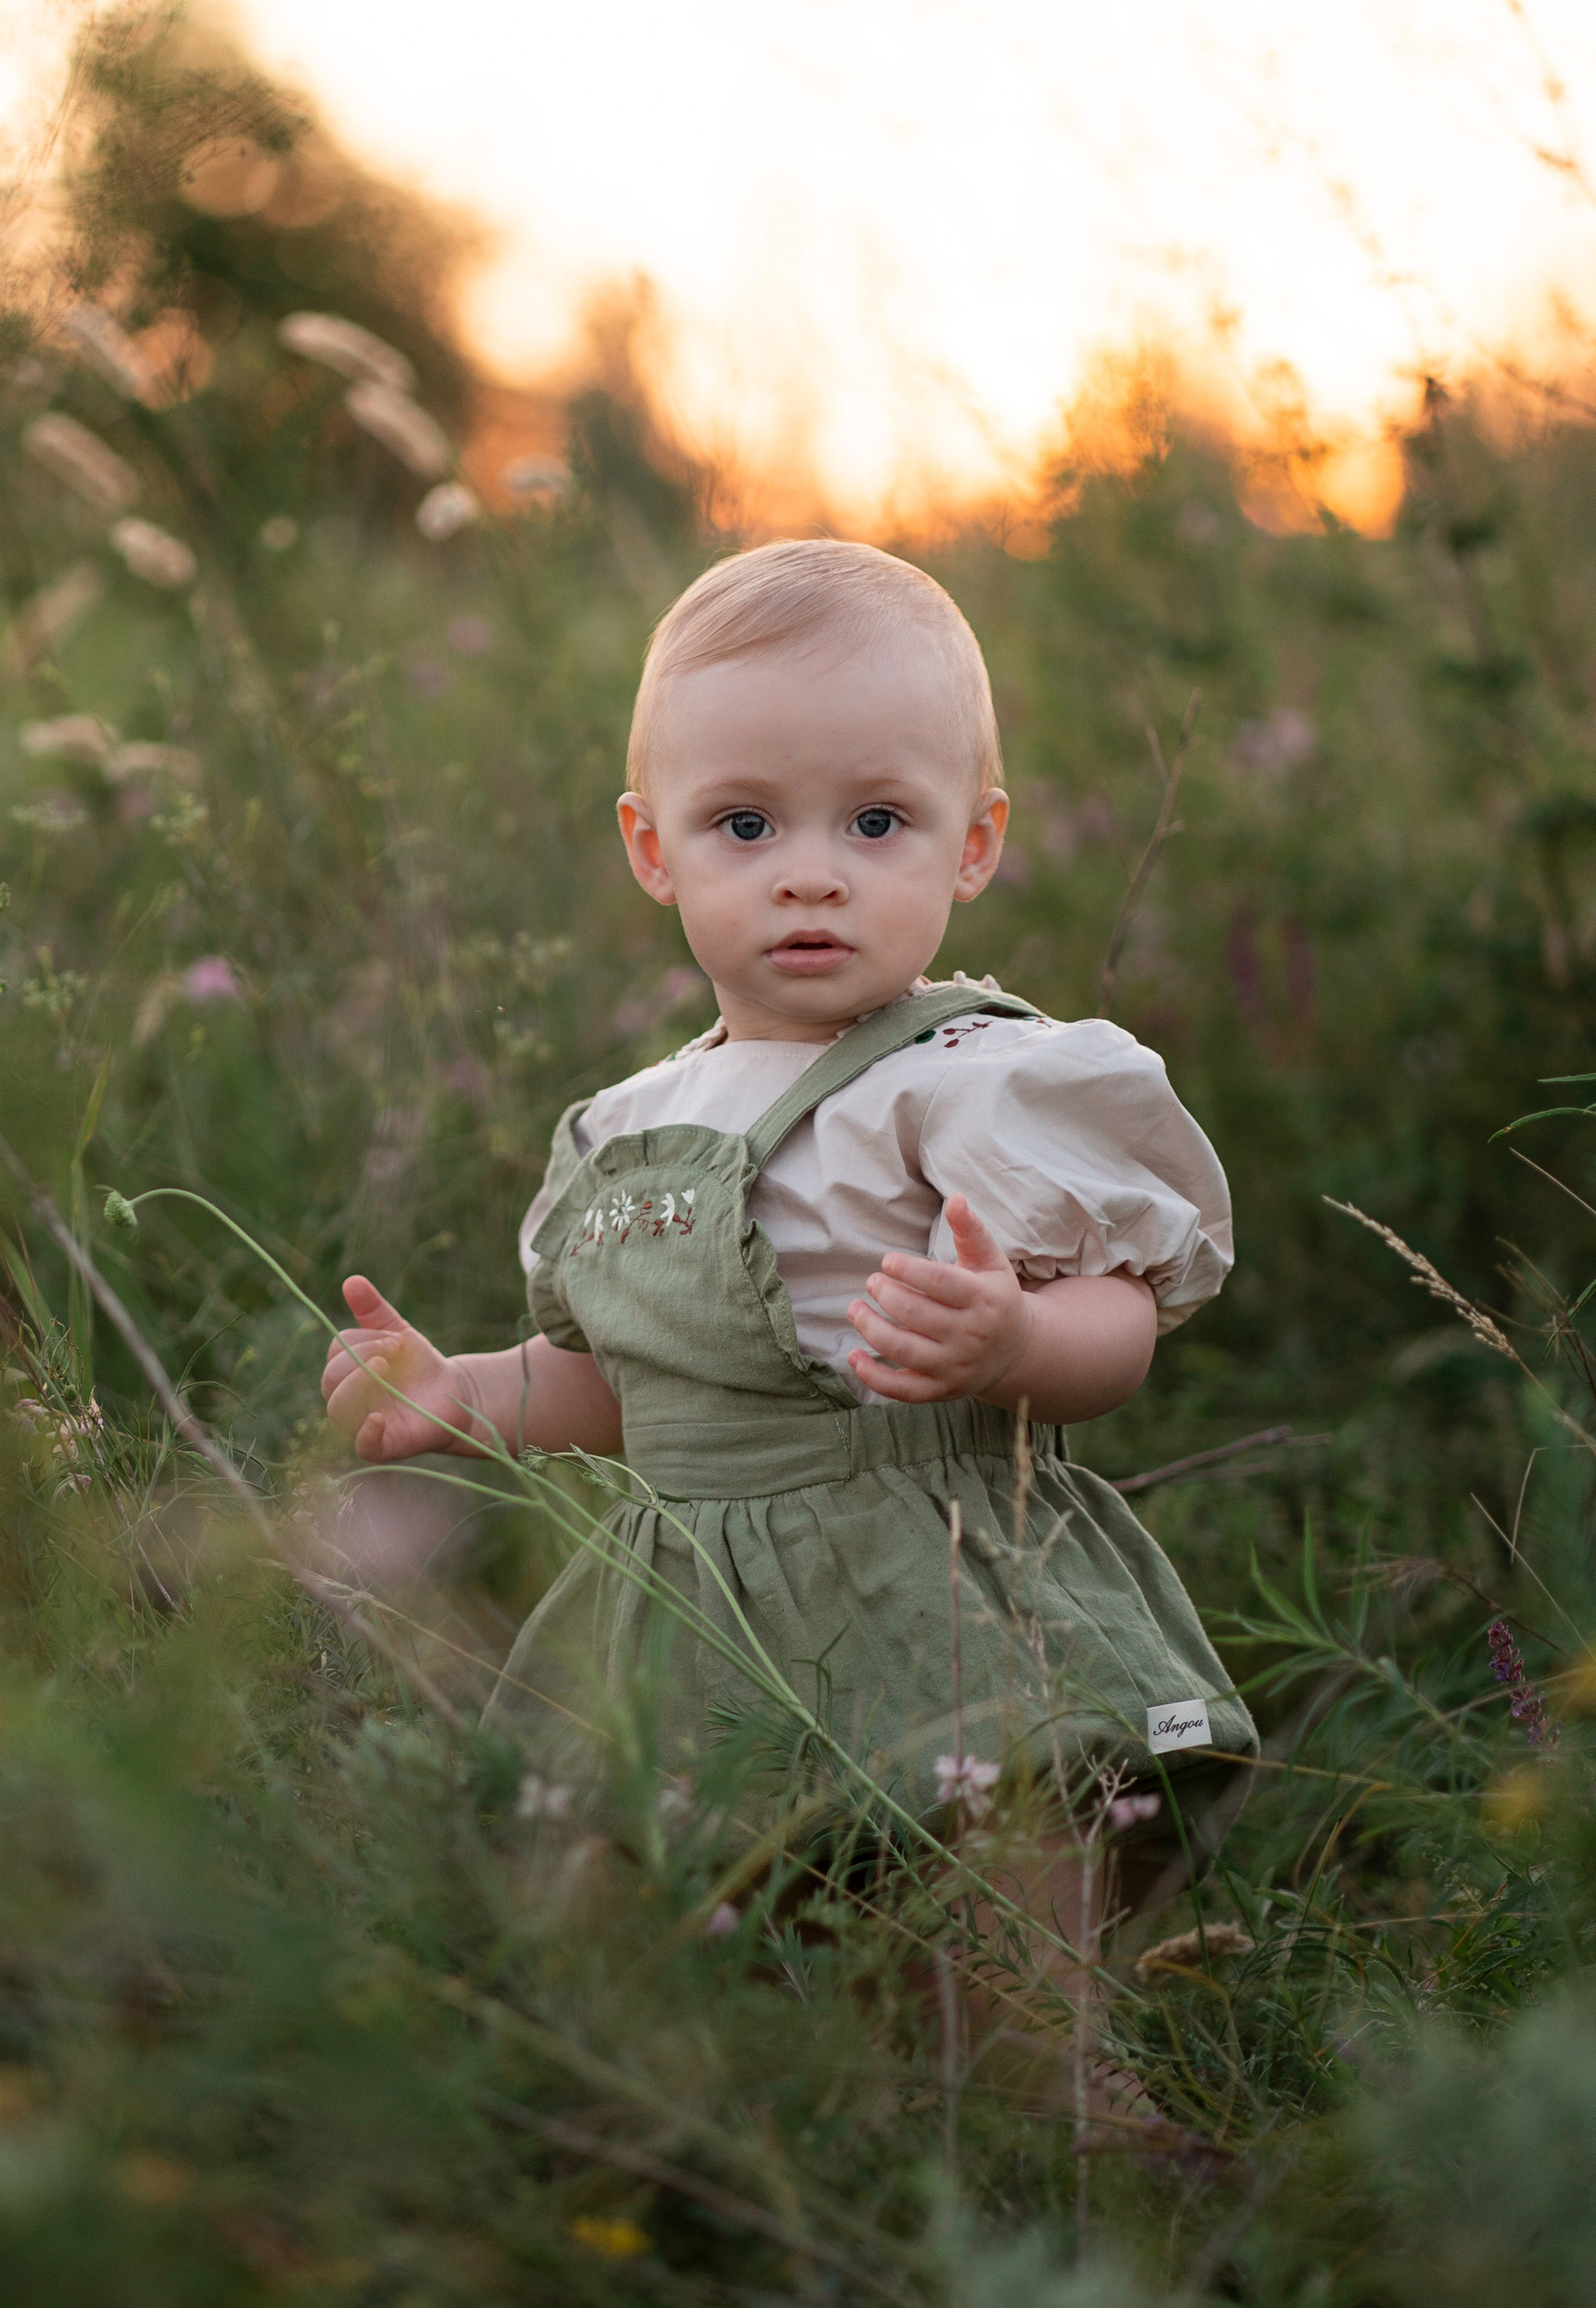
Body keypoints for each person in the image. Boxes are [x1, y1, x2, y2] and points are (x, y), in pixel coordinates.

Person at [319, 540, 1255, 2032]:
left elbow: (1125, 1316)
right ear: (652, 850)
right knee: (668, 1907)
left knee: (1009, 1857)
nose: (811, 869)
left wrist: (1015, 1336)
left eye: (877, 820)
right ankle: (735, 2127)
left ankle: (1079, 2095)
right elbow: (631, 1392)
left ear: (974, 844)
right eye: (745, 823)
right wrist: (467, 1394)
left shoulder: (970, 1082)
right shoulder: (625, 1128)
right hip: (695, 1603)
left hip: (933, 1562)